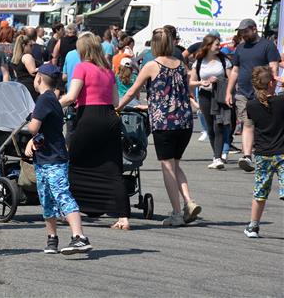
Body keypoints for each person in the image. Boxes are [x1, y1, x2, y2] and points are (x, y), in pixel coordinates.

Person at [118, 28, 202, 226]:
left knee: (167, 166)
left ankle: (176, 213)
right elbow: (180, 93)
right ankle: (188, 201)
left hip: (165, 123)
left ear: (154, 45)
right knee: (176, 164)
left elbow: (132, 91)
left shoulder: (151, 66)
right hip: (185, 122)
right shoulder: (181, 65)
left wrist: (118, 107)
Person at [59, 32, 130, 230]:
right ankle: (123, 217)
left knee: (73, 162)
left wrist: (52, 104)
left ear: (83, 50)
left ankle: (66, 209)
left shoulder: (82, 68)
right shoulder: (108, 71)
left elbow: (71, 96)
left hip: (88, 117)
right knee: (113, 168)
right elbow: (116, 102)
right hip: (109, 118)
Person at [25, 64, 93, 255]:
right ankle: (52, 238)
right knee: (47, 198)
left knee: (61, 195)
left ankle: (79, 236)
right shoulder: (52, 99)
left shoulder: (44, 100)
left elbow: (33, 128)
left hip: (53, 159)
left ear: (38, 78)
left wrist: (30, 123)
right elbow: (46, 130)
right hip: (46, 157)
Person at [226, 19, 280, 172]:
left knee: (263, 125)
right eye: (241, 32)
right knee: (247, 123)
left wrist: (271, 90)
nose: (243, 34)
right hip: (243, 93)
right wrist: (228, 91)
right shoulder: (241, 48)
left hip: (262, 91)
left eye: (245, 31)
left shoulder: (267, 45)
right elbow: (235, 70)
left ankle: (265, 154)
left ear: (254, 29)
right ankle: (247, 156)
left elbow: (273, 68)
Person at [243, 67, 284, 238]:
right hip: (282, 152)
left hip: (262, 153)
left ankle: (253, 226)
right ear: (272, 83)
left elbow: (249, 128)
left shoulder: (251, 105)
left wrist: (247, 153)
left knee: (260, 192)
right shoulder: (281, 101)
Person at [189, 35, 232, 169]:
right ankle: (216, 156)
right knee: (209, 126)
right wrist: (201, 82)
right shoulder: (199, 62)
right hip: (204, 96)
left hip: (219, 95)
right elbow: (191, 82)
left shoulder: (224, 60)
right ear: (208, 46)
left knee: (218, 125)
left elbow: (231, 79)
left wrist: (219, 81)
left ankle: (218, 157)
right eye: (217, 45)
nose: (219, 47)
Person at [12, 34, 39, 100]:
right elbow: (32, 72)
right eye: (30, 45)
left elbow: (15, 74)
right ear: (24, 45)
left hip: (20, 87)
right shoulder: (27, 56)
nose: (32, 47)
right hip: (30, 87)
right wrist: (43, 67)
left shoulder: (15, 59)